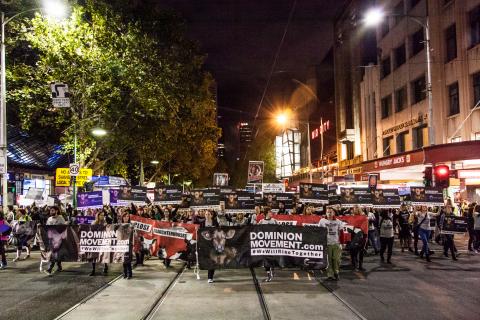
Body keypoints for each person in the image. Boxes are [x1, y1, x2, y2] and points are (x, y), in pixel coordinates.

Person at [318, 207, 345, 280]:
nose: (329, 213)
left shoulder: (338, 221)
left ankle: (336, 272)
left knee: (336, 259)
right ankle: (330, 274)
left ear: (334, 213)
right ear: (326, 213)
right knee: (329, 260)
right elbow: (319, 232)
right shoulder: (322, 221)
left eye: (331, 212)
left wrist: (342, 243)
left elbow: (341, 233)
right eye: (328, 212)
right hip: (327, 244)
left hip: (336, 243)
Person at [44, 206, 67, 275]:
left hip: (58, 239)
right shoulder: (49, 219)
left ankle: (50, 269)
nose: (51, 212)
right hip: (51, 239)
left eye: (53, 210)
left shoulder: (60, 218)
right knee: (55, 253)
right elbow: (46, 228)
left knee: (54, 253)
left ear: (56, 211)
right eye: (51, 210)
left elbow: (64, 228)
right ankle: (59, 266)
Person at [258, 209, 277, 282]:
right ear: (266, 213)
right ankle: (268, 274)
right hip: (265, 243)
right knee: (265, 258)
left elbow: (280, 229)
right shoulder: (261, 222)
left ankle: (272, 269)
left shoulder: (274, 221)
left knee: (272, 258)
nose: (271, 213)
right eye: (269, 212)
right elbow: (257, 231)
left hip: (273, 243)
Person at [90, 211, 108, 276]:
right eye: (101, 215)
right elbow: (93, 231)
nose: (102, 216)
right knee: (94, 256)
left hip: (102, 241)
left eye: (103, 215)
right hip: (95, 241)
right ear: (98, 216)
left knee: (103, 254)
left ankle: (105, 266)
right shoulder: (94, 222)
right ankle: (93, 269)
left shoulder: (105, 222)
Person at [121, 212, 133, 279]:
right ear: (122, 217)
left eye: (127, 216)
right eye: (125, 216)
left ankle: (129, 274)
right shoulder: (120, 225)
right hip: (121, 244)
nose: (126, 217)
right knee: (123, 259)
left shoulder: (131, 225)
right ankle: (124, 273)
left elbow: (133, 235)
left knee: (127, 259)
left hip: (129, 244)